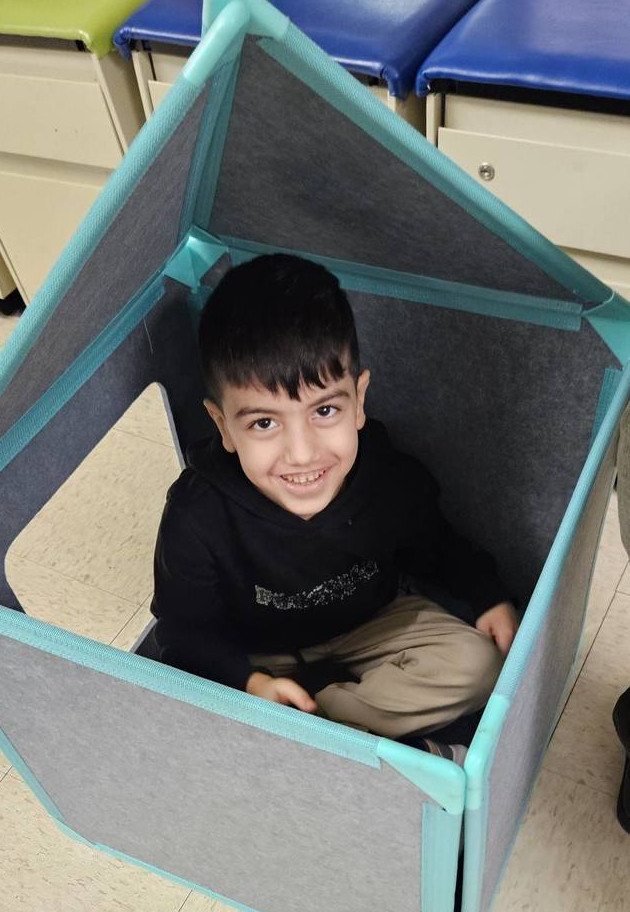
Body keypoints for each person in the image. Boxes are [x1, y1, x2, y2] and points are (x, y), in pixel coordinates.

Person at [151, 253, 518, 760]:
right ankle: (346, 743)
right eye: (264, 423)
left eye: (324, 410)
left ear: (359, 398)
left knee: (479, 665)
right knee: (197, 711)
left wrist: (486, 594)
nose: (302, 454)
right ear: (222, 426)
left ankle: (323, 731)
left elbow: (435, 543)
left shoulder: (385, 471)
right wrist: (249, 679)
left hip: (375, 621)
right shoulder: (197, 513)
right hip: (259, 650)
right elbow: (183, 632)